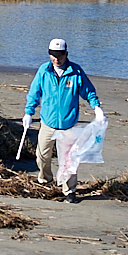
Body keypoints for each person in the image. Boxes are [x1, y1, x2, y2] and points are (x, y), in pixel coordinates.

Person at [24, 36, 103, 200]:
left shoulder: (75, 71)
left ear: (66, 54)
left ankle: (69, 190)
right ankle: (45, 181)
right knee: (42, 156)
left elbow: (88, 91)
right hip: (48, 122)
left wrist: (96, 108)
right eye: (53, 55)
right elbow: (34, 93)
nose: (56, 59)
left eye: (60, 55)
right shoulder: (44, 71)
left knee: (69, 160)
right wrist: (28, 113)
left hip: (68, 124)